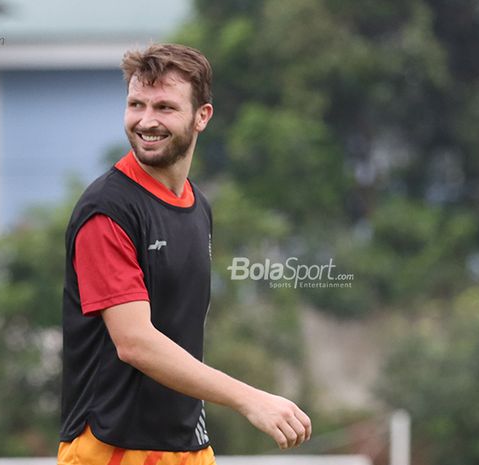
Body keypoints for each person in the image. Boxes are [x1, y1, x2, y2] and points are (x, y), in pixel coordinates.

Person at [59, 43, 312, 464]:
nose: (146, 120)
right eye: (136, 104)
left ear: (202, 116)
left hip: (187, 446)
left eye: (164, 107)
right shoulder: (107, 209)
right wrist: (252, 399)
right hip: (112, 449)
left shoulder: (199, 206)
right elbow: (135, 343)